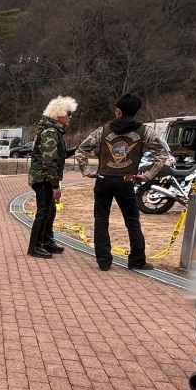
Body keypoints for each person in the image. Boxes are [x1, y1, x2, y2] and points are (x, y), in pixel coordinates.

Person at [74, 93, 170, 271]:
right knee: (132, 221)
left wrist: (86, 170)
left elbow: (81, 150)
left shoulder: (103, 130)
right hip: (126, 181)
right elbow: (162, 153)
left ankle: (103, 261)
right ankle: (137, 260)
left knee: (101, 220)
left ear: (118, 111)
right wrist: (148, 175)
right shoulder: (145, 131)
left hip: (103, 180)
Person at [26, 96, 75, 258]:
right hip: (43, 177)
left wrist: (76, 149)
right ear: (59, 115)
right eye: (68, 114)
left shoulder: (54, 131)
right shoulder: (50, 132)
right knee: (43, 211)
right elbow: (49, 160)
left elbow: (58, 155)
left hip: (46, 176)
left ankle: (47, 241)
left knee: (50, 210)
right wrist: (55, 186)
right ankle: (35, 246)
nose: (70, 117)